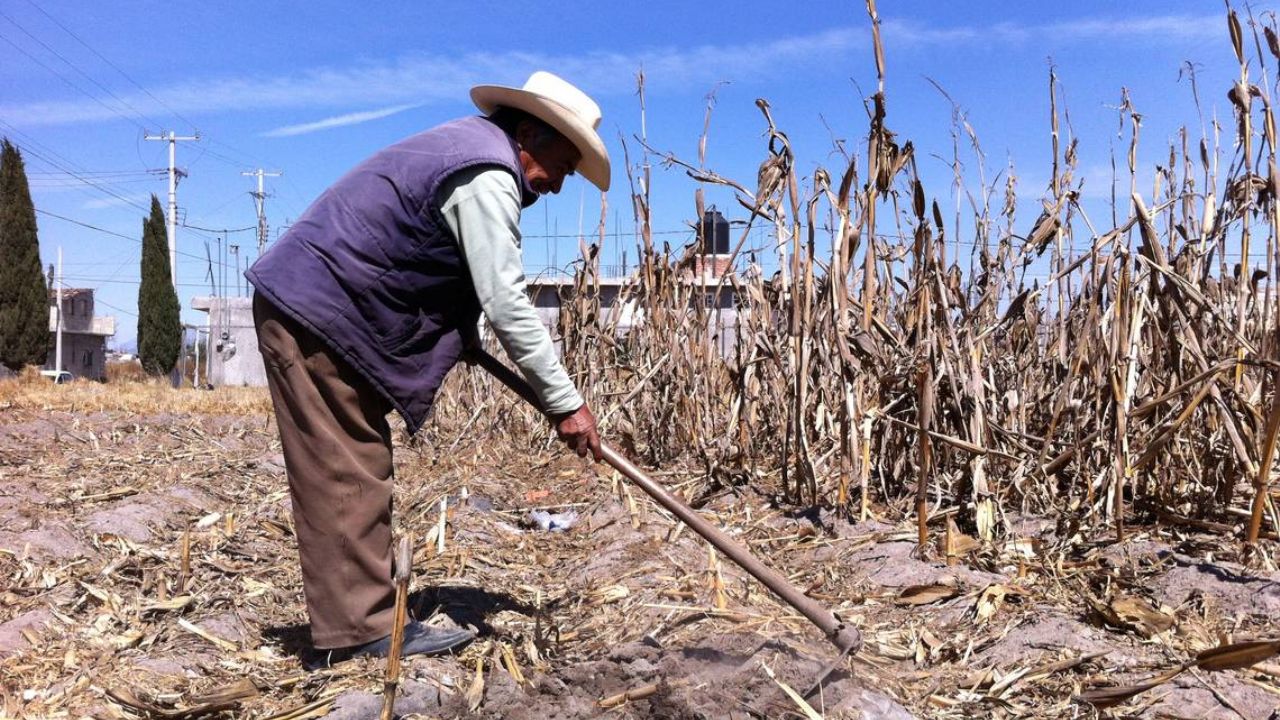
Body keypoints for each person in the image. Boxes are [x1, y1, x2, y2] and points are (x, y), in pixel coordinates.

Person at [245, 71, 607, 667]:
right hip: (319, 314)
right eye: (563, 166)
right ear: (527, 135)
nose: (559, 185)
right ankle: (361, 632)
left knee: (358, 463)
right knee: (346, 469)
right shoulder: (486, 174)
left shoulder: (468, 151)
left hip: (326, 312)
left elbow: (426, 256)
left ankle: (363, 617)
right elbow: (506, 300)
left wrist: (457, 332)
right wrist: (565, 402)